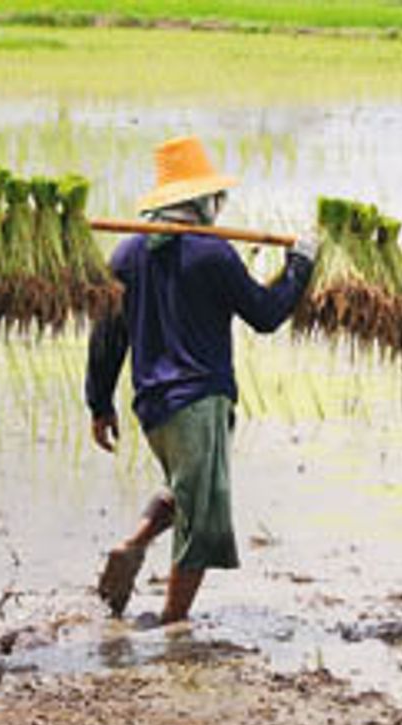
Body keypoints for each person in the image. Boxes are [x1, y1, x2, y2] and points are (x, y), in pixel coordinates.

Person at [85, 135, 315, 624]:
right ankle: (174, 621)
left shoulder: (127, 256)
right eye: (216, 199)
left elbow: (106, 336)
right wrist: (300, 266)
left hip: (152, 409)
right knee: (203, 517)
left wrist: (99, 404)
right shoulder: (212, 254)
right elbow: (266, 314)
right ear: (201, 202)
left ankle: (134, 546)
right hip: (198, 401)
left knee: (186, 489)